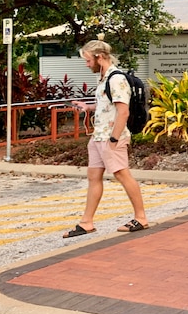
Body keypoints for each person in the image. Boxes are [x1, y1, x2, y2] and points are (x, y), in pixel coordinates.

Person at [62, 40, 149, 238]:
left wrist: (113, 140)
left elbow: (123, 112)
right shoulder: (103, 78)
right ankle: (86, 222)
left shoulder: (116, 79)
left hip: (111, 137)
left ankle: (141, 218)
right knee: (94, 177)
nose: (86, 64)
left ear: (99, 57)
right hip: (98, 136)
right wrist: (88, 107)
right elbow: (106, 106)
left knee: (122, 175)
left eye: (87, 60)